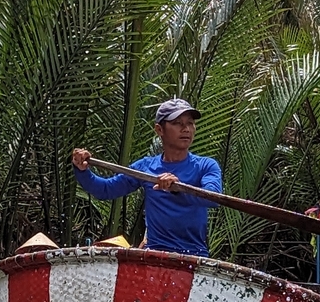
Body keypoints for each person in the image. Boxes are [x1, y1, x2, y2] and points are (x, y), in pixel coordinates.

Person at [72, 98, 222, 257]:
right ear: (159, 130)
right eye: (177, 123)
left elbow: (213, 197)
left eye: (190, 123)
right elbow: (105, 190)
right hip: (154, 255)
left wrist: (178, 188)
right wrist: (82, 170)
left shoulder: (206, 165)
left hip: (195, 255)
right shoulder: (145, 167)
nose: (186, 129)